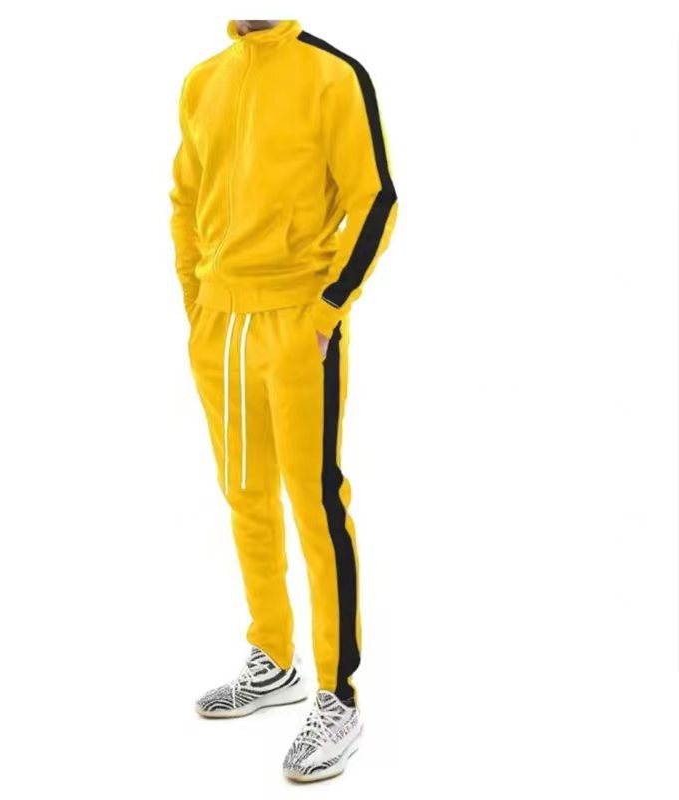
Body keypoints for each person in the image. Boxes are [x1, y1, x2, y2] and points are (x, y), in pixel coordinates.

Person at [169, 19, 397, 782]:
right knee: (245, 495)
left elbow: (375, 198)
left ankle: (338, 696)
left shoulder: (332, 75)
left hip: (298, 322)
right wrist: (196, 299)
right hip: (220, 324)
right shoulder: (204, 80)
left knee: (316, 503)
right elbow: (184, 198)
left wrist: (328, 307)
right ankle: (272, 657)